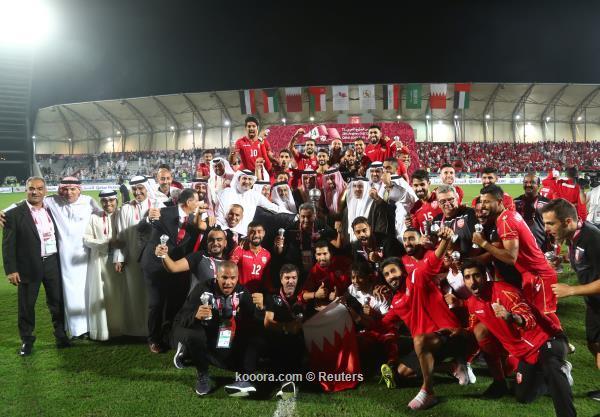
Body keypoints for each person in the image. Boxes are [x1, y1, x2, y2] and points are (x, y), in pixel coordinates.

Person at [462, 259, 575, 417]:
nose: (472, 282)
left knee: (551, 366)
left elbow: (529, 318)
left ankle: (565, 404)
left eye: (476, 276)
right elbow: (472, 328)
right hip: (525, 354)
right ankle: (551, 377)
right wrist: (454, 333)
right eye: (467, 277)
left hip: (547, 340)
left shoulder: (505, 291)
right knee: (523, 397)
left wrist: (511, 317)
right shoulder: (472, 303)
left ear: (485, 276)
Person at [379, 225, 471, 410]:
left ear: (402, 271)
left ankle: (428, 392)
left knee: (419, 340)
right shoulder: (396, 301)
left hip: (449, 335)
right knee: (402, 372)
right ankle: (453, 367)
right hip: (429, 344)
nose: (390, 277)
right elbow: (383, 323)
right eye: (386, 275)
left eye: (393, 271)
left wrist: (445, 239)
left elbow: (434, 260)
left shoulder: (416, 277)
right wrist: (358, 319)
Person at [170, 261, 265, 397]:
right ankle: (203, 375)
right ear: (217, 276)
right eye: (224, 277)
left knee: (232, 360)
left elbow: (255, 319)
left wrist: (261, 308)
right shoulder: (203, 289)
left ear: (237, 278)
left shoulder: (242, 291)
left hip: (218, 333)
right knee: (196, 336)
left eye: (232, 278)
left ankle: (190, 353)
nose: (228, 282)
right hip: (195, 329)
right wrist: (195, 315)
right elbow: (181, 317)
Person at [473, 184, 561, 330]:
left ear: (499, 202)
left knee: (544, 316)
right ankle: (553, 339)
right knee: (536, 315)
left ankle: (559, 339)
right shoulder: (508, 216)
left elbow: (510, 257)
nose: (483, 206)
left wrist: (483, 243)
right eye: (482, 201)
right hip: (532, 273)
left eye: (487, 202)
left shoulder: (505, 221)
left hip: (538, 274)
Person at [2, 176, 70, 355]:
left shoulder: (52, 210)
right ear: (26, 190)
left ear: (45, 191)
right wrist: (11, 270)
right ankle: (27, 340)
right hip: (28, 266)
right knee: (26, 305)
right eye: (31, 188)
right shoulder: (14, 214)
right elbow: (8, 245)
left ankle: (61, 335)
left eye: (40, 189)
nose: (35, 192)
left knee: (57, 301)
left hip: (52, 262)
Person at [541, 198, 600, 401]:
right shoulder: (575, 236)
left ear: (567, 222)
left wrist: (572, 290)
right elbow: (584, 258)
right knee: (594, 344)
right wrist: (564, 258)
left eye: (551, 223)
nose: (546, 229)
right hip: (594, 304)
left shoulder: (593, 238)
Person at [140, 188, 201, 353]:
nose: (199, 204)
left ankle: (168, 337)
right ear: (189, 202)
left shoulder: (193, 220)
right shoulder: (163, 212)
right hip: (154, 265)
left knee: (173, 304)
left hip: (174, 267)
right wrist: (147, 218)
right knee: (156, 304)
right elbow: (141, 227)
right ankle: (153, 339)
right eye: (197, 200)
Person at [44, 176, 102, 338]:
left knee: (88, 290)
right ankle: (77, 330)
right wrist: (4, 212)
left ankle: (91, 326)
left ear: (79, 190)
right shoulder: (52, 201)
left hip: (87, 254)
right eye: (65, 189)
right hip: (66, 257)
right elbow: (27, 204)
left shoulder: (88, 201)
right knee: (71, 292)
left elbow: (103, 215)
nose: (69, 193)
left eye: (72, 189)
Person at [113, 175, 163, 339]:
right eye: (134, 189)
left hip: (154, 258)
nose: (137, 192)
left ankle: (154, 328)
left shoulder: (158, 205)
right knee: (134, 292)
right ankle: (136, 328)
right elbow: (120, 234)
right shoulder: (125, 209)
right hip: (132, 257)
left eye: (140, 188)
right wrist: (119, 257)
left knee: (152, 294)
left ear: (147, 188)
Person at [83, 190, 124, 341]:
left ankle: (121, 328)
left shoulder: (122, 215)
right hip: (99, 262)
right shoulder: (94, 217)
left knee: (118, 295)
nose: (108, 204)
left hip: (120, 263)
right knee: (102, 294)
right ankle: (102, 331)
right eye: (105, 201)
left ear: (116, 200)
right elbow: (86, 239)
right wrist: (106, 244)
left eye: (111, 200)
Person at [263, 264, 306, 396]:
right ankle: (284, 381)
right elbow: (267, 322)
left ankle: (289, 381)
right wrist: (286, 327)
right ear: (281, 279)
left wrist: (297, 327)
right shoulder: (272, 296)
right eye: (287, 278)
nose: (290, 281)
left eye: (294, 278)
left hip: (298, 338)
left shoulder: (303, 296)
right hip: (278, 337)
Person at [215, 169, 292, 236]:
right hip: (225, 233)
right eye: (244, 178)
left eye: (250, 179)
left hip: (244, 236)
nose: (247, 181)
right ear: (238, 179)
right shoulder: (227, 192)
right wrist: (225, 232)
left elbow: (274, 208)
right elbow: (220, 215)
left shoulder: (255, 195)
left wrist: (293, 215)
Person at [156, 227, 227, 292]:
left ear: (225, 243)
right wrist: (164, 254)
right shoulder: (199, 256)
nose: (215, 243)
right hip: (196, 301)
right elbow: (173, 267)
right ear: (207, 242)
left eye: (219, 240)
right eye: (211, 240)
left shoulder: (228, 264)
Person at [300, 240, 351, 314]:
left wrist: (341, 295)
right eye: (319, 254)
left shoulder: (342, 261)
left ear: (331, 254)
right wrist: (316, 294)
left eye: (325, 254)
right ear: (315, 256)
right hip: (330, 309)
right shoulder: (314, 271)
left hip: (349, 302)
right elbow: (302, 296)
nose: (322, 258)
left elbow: (356, 276)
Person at [513, 173, 553, 252]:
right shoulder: (515, 202)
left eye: (532, 182)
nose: (528, 185)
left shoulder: (547, 203)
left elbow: (553, 226)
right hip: (520, 247)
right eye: (525, 182)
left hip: (540, 247)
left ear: (538, 185)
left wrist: (553, 245)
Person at [229, 222, 272, 293]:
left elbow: (267, 280)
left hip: (258, 296)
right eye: (252, 232)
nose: (256, 235)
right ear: (247, 234)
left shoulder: (267, 254)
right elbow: (229, 269)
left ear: (264, 233)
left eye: (259, 231)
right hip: (241, 294)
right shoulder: (240, 249)